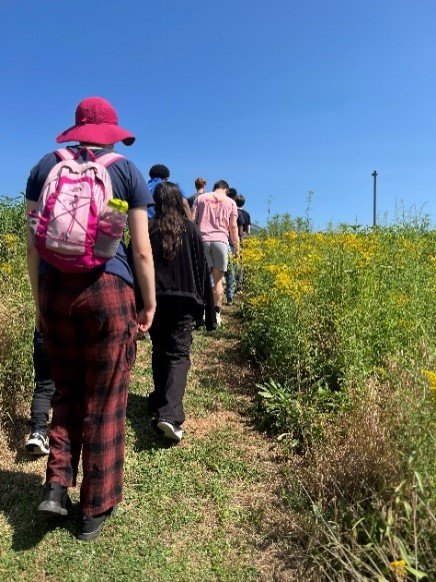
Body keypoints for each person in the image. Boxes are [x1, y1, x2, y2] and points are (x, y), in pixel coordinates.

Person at [26, 96, 156, 541]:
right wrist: (149, 301)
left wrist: (40, 303)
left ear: (77, 128)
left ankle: (57, 485)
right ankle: (94, 508)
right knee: (106, 395)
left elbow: (32, 245)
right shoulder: (125, 170)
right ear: (112, 131)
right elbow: (140, 248)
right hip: (108, 290)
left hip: (53, 287)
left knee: (66, 388)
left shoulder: (46, 165)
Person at [133, 182, 216, 442]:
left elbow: (137, 264)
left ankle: (160, 399)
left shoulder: (149, 228)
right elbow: (203, 270)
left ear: (155, 204)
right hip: (186, 302)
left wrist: (137, 304)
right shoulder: (191, 230)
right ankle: (169, 414)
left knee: (161, 349)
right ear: (180, 201)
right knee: (179, 354)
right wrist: (209, 311)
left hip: (156, 300)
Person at [193, 180, 240, 325]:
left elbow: (192, 221)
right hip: (221, 241)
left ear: (214, 188)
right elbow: (233, 227)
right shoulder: (231, 202)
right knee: (218, 280)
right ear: (226, 190)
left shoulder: (200, 198)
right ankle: (216, 314)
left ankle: (200, 313)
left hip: (202, 241)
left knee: (200, 280)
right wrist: (237, 247)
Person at [24, 329, 55, 455]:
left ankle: (38, 433)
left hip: (45, 328)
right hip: (72, 329)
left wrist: (39, 329)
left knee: (44, 384)